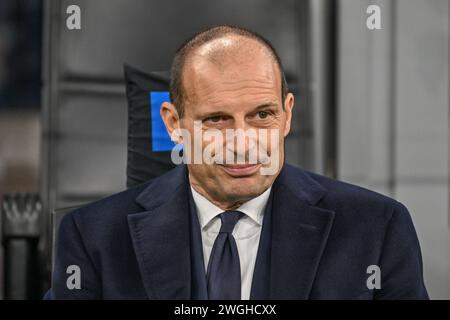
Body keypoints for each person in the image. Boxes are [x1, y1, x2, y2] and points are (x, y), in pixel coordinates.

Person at [48, 25, 428, 299]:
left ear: (288, 114)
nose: (243, 144)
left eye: (263, 115)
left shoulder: (376, 227)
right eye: (217, 119)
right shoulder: (93, 237)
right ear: (173, 124)